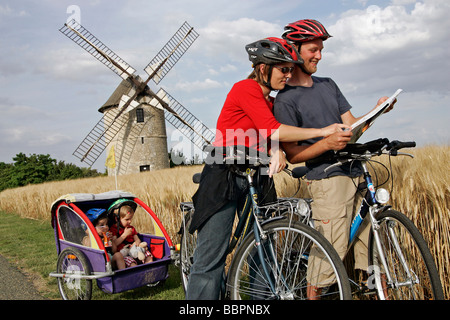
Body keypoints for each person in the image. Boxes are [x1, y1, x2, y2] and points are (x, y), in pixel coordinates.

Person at [185, 37, 349, 300]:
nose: (289, 74)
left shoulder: (271, 102)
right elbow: (272, 129)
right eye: (283, 69)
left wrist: (278, 150)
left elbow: (272, 134)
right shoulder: (245, 89)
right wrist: (323, 131)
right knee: (211, 257)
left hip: (258, 176)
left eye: (290, 69)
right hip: (224, 174)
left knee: (264, 247)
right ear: (263, 69)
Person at [273, 19, 394, 299]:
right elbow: (293, 155)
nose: (319, 55)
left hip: (354, 170)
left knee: (372, 242)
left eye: (321, 49)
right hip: (326, 178)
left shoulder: (328, 85)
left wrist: (376, 112)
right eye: (313, 50)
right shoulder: (286, 100)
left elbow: (351, 127)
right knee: (330, 249)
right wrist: (326, 143)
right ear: (294, 50)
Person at [109, 199, 153, 269]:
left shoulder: (131, 228)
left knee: (148, 254)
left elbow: (137, 239)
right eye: (127, 220)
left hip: (134, 249)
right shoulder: (113, 229)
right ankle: (137, 275)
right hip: (124, 254)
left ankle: (149, 270)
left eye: (131, 219)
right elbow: (115, 243)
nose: (130, 221)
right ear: (117, 219)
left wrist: (136, 243)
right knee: (131, 263)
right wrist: (125, 234)